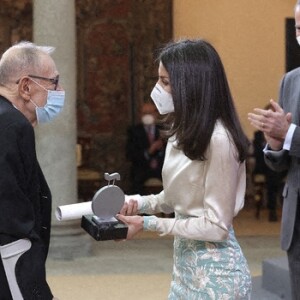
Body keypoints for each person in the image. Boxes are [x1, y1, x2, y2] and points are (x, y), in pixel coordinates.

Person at [118, 39, 252, 299]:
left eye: (166, 82)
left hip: (217, 276)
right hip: (184, 270)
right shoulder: (181, 131)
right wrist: (133, 202)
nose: (157, 90)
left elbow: (216, 226)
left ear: (191, 86)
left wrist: (148, 223)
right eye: (159, 80)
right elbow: (175, 199)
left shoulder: (219, 139)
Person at [0, 41, 64, 300]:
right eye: (54, 82)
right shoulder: (11, 125)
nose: (61, 91)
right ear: (26, 86)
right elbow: (12, 217)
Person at [248, 2, 300, 298]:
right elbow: (281, 163)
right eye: (297, 28)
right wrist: (275, 144)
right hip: (296, 220)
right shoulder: (290, 81)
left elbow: (292, 133)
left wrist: (289, 133)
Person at [252, 107, 286, 222]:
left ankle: (276, 209)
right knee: (272, 176)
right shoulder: (258, 135)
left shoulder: (283, 133)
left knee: (275, 175)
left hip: (282, 167)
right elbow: (258, 154)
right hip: (263, 167)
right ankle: (274, 210)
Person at [126, 102, 166, 194]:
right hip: (142, 169)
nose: (147, 116)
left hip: (161, 169)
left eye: (150, 113)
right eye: (145, 113)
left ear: (156, 114)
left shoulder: (164, 130)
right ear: (140, 115)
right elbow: (130, 155)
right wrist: (148, 152)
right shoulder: (133, 131)